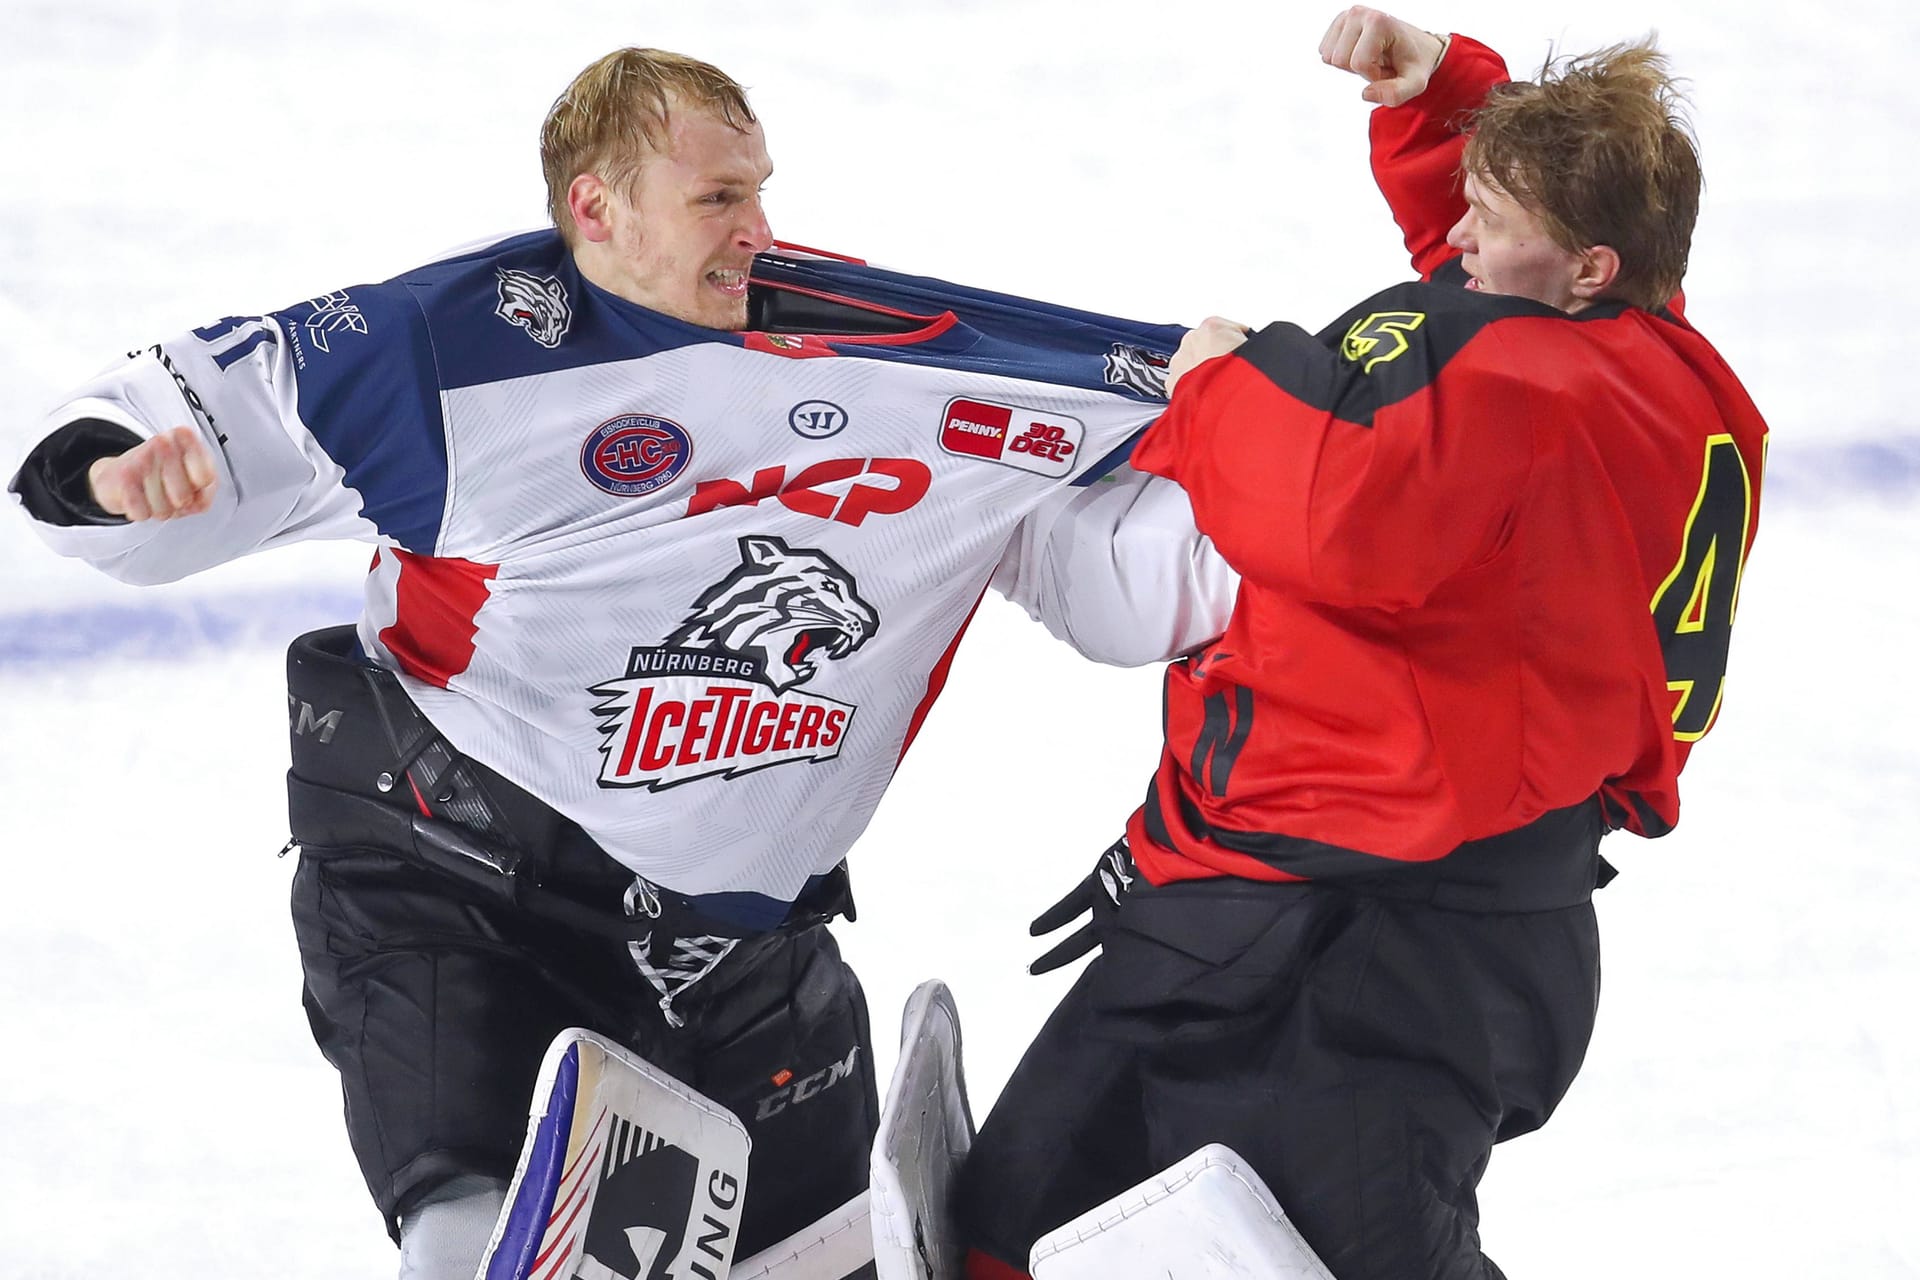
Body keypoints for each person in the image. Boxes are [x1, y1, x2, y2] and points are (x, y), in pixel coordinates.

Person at [7, 48, 1236, 1280]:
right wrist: (111, 477)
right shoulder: (449, 350)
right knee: (466, 1240)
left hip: (747, 958)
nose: (760, 231)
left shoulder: (903, 358)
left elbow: (1109, 578)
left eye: (760, 190)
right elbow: (190, 415)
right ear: (596, 208)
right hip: (464, 898)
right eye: (716, 200)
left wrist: (1284, 503)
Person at [956, 8, 1770, 1279]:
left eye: (1486, 221)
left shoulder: (1523, 397)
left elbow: (1326, 509)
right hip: (1304, 898)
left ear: (1591, 268)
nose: (1453, 243)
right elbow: (1494, 291)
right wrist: (1452, 105)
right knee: (1024, 1221)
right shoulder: (1653, 358)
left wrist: (1220, 382)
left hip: (1386, 937)